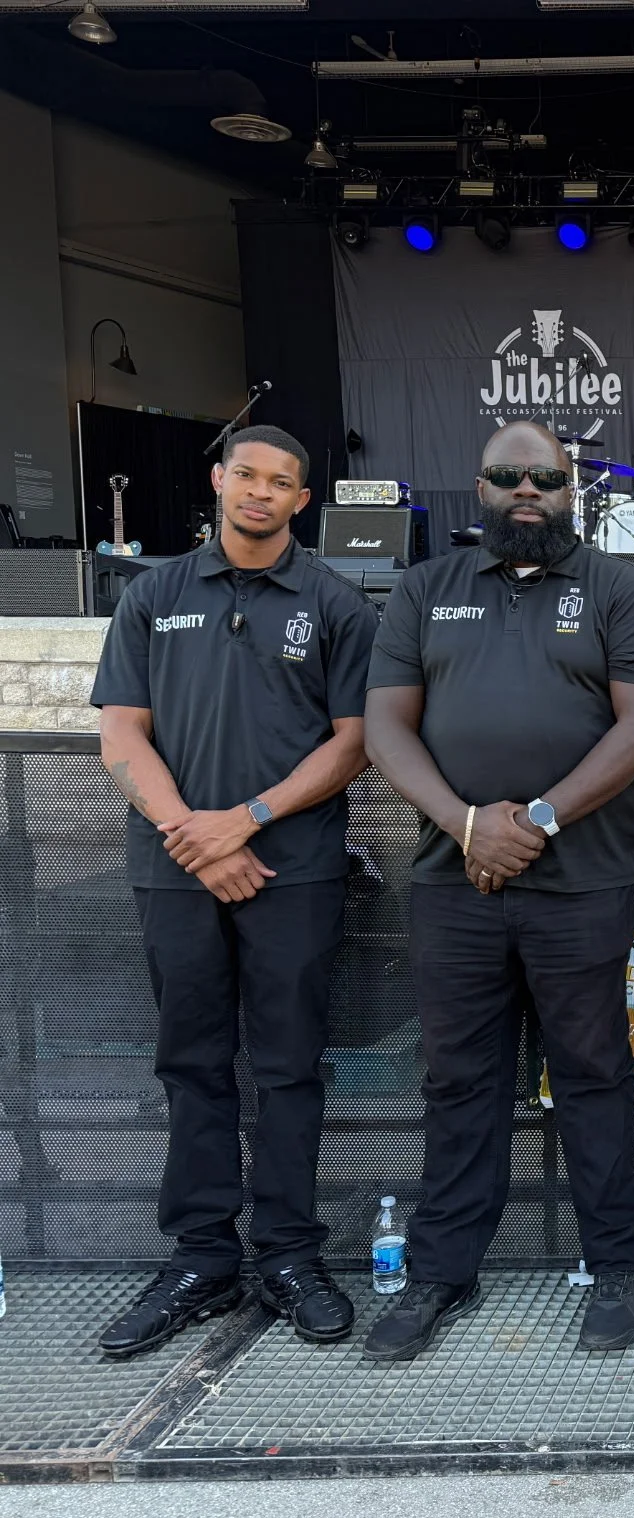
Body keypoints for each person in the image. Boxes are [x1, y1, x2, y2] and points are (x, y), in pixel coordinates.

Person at [361, 420, 634, 1361]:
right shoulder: (426, 588)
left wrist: (532, 821)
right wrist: (469, 827)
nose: (527, 490)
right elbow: (386, 731)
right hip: (453, 883)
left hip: (581, 881)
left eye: (545, 476)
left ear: (571, 487)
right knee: (460, 1080)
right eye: (508, 475)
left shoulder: (620, 588)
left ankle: (617, 1267)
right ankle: (440, 1276)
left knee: (593, 1077)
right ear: (480, 486)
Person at [90, 425, 376, 1356]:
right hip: (177, 868)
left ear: (304, 498)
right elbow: (123, 735)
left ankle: (290, 1253)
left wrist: (243, 821)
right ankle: (202, 1259)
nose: (259, 492)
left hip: (290, 871)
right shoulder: (155, 594)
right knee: (193, 1064)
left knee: (291, 1068)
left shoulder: (335, 602)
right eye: (246, 475)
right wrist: (193, 834)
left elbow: (353, 743)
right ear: (219, 480)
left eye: (280, 482)